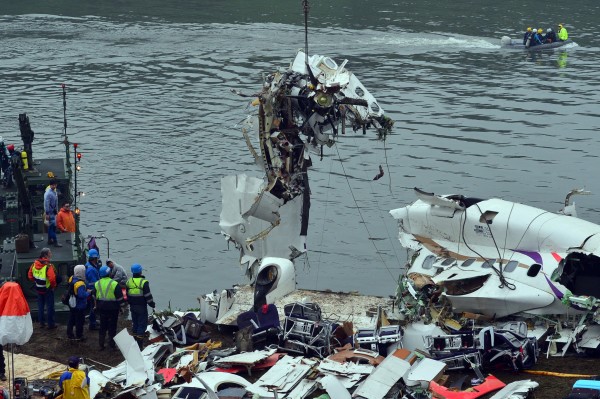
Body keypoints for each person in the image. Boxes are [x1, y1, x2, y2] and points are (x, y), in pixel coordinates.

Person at [93, 266, 125, 350]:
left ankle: (101, 345)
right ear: (109, 273)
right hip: (113, 309)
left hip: (102, 308)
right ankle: (111, 345)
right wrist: (122, 307)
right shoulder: (114, 284)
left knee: (102, 326)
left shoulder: (97, 283)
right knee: (112, 326)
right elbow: (120, 298)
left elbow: (94, 295)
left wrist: (96, 306)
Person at [125, 263, 155, 349]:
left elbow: (127, 295)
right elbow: (148, 295)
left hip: (133, 307)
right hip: (141, 307)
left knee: (135, 324)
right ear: (140, 271)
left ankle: (135, 343)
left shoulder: (128, 282)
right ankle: (139, 346)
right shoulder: (144, 282)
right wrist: (152, 304)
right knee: (142, 325)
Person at [27, 248, 58, 329]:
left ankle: (41, 323)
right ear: (46, 255)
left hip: (39, 289)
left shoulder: (34, 264)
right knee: (50, 307)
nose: (51, 254)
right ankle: (51, 324)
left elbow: (30, 276)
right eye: (50, 252)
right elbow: (52, 278)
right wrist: (53, 286)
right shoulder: (48, 266)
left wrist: (37, 281)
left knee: (40, 306)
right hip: (47, 289)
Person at [67, 265, 90, 341]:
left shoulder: (71, 278)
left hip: (72, 303)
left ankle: (69, 333)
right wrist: (88, 292)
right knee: (79, 321)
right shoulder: (80, 284)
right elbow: (81, 295)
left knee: (71, 319)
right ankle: (79, 335)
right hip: (79, 305)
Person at [85, 249, 100, 331]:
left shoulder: (89, 265)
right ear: (95, 258)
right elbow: (93, 283)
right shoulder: (91, 269)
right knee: (93, 307)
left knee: (92, 307)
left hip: (90, 290)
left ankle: (93, 321)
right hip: (92, 291)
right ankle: (92, 324)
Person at [44, 179, 62, 247]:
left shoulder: (53, 192)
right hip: (50, 213)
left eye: (55, 185)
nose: (54, 186)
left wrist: (56, 211)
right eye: (53, 185)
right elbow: (46, 204)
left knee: (51, 227)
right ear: (50, 185)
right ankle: (55, 242)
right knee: (52, 228)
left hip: (53, 212)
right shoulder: (48, 194)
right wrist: (47, 213)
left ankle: (49, 240)